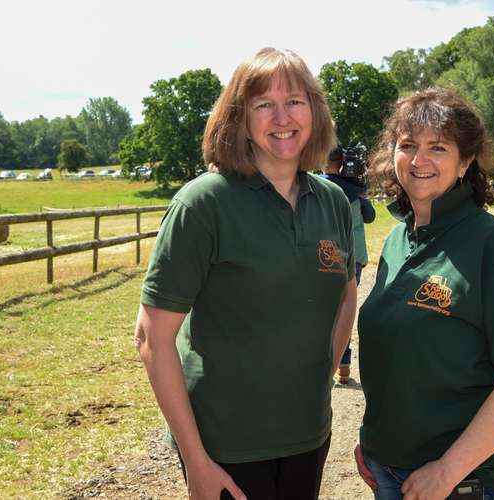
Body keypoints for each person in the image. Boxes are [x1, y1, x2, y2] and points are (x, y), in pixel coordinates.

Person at [134, 47, 357, 500]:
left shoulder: (331, 200)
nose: (282, 116)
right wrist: (197, 460)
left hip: (307, 436)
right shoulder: (204, 203)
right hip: (225, 447)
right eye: (263, 104)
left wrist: (321, 375)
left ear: (314, 111)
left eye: (295, 101)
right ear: (239, 118)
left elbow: (346, 291)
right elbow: (151, 338)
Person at [354, 88, 494, 500]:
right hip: (387, 471)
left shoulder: (493, 245)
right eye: (407, 146)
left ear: (466, 161)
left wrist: (446, 471)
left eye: (437, 147)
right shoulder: (396, 240)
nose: (419, 160)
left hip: (460, 482)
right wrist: (374, 442)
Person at [321, 143, 376, 383]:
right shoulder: (356, 189)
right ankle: (344, 368)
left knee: (325, 312)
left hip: (327, 257)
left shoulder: (319, 186)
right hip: (355, 256)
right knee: (346, 310)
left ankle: (326, 366)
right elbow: (370, 217)